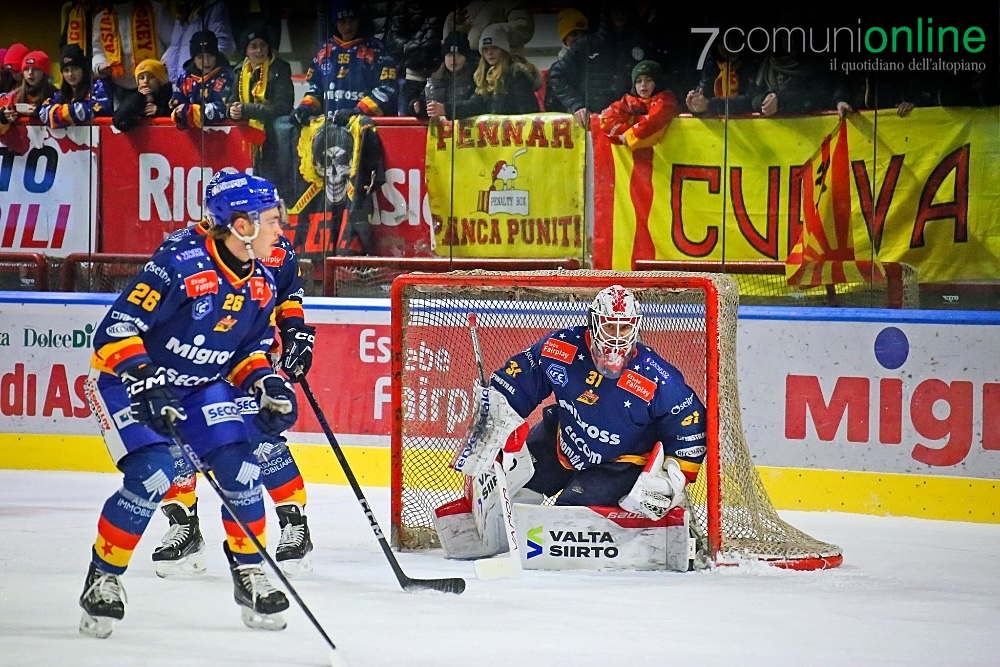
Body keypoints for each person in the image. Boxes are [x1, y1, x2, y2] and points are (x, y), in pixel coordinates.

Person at [79, 172, 296, 638]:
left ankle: (249, 573)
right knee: (155, 472)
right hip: (127, 381)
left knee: (242, 469)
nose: (281, 230)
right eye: (273, 220)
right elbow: (114, 331)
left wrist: (267, 386)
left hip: (199, 386)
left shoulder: (260, 282)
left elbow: (247, 352)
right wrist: (146, 380)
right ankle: (104, 578)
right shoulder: (180, 264)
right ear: (241, 225)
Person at [148, 170, 317, 578]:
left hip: (247, 360)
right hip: (190, 367)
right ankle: (184, 528)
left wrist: (294, 333)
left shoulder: (275, 248)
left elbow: (287, 294)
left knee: (259, 441)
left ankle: (294, 524)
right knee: (177, 448)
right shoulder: (179, 248)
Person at [458, 285, 706, 522]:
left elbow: (688, 420)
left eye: (625, 328)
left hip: (620, 463)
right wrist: (494, 417)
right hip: (562, 444)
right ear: (594, 322)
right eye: (610, 326)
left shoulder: (656, 376)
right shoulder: (560, 348)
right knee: (511, 488)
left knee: (566, 519)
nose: (617, 337)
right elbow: (518, 381)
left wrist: (673, 477)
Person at [291, 0, 398, 127]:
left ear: (359, 20)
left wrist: (358, 111)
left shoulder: (377, 50)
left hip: (365, 129)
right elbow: (316, 89)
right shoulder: (325, 52)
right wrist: (304, 108)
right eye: (342, 21)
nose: (348, 26)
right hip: (330, 130)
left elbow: (387, 90)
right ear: (335, 23)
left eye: (352, 20)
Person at [547, 3, 653, 128]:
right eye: (614, 9)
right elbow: (556, 75)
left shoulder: (643, 46)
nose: (619, 13)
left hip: (631, 122)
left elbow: (659, 79)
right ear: (606, 13)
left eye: (623, 8)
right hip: (591, 124)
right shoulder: (586, 45)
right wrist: (577, 105)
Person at [426, 24, 540, 119]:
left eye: (494, 48)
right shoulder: (483, 75)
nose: (489, 53)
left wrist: (446, 109)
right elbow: (478, 104)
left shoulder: (516, 74)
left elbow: (529, 110)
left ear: (503, 50)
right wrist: (446, 109)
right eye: (485, 49)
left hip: (515, 137)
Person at [228, 22, 294, 180]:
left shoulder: (280, 68)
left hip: (276, 139)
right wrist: (231, 111)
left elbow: (283, 107)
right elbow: (231, 102)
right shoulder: (240, 71)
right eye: (253, 46)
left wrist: (246, 109)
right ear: (246, 51)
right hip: (249, 141)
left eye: (263, 45)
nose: (259, 51)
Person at [91, 0, 175, 107]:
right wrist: (99, 66)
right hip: (119, 87)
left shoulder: (156, 10)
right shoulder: (101, 18)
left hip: (154, 85)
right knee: (120, 120)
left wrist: (164, 62)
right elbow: (98, 51)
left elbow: (174, 43)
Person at [599, 59, 678, 149]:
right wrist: (631, 131)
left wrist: (631, 125)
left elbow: (656, 119)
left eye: (649, 80)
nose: (643, 84)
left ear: (657, 83)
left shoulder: (667, 100)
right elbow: (607, 120)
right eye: (638, 81)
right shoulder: (628, 101)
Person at [169, 30, 234, 129]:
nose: (206, 62)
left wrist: (193, 111)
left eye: (210, 56)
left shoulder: (227, 76)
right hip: (191, 137)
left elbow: (225, 107)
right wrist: (179, 111)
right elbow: (176, 102)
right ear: (193, 58)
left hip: (222, 135)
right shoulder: (184, 78)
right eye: (200, 57)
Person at [162, 0, 235, 83]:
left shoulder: (214, 7)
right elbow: (176, 45)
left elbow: (223, 44)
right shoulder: (184, 9)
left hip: (200, 82)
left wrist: (200, 71)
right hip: (180, 82)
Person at [411, 30, 476, 119]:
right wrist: (417, 107)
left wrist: (446, 110)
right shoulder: (435, 79)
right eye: (449, 55)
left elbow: (477, 105)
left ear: (466, 58)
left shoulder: (476, 77)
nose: (453, 59)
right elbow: (424, 104)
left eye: (459, 55)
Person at [39, 45, 106, 128]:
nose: (70, 74)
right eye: (66, 70)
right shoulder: (60, 94)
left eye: (75, 69)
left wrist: (59, 112)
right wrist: (70, 112)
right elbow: (44, 112)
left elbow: (96, 108)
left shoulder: (98, 86)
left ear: (83, 69)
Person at [540, 7, 588, 112]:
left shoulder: (595, 62)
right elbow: (551, 105)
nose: (580, 38)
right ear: (564, 37)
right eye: (574, 34)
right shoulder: (556, 69)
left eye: (583, 34)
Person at [112, 58, 173, 131]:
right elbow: (118, 120)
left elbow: (180, 116)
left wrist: (159, 111)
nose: (145, 81)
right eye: (141, 78)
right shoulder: (135, 97)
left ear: (159, 79)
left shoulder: (170, 94)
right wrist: (138, 97)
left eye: (151, 77)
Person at [0, 51, 57, 127]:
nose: (30, 73)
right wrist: (3, 116)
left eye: (35, 69)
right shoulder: (13, 96)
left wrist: (40, 111)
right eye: (26, 69)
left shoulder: (56, 96)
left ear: (45, 72)